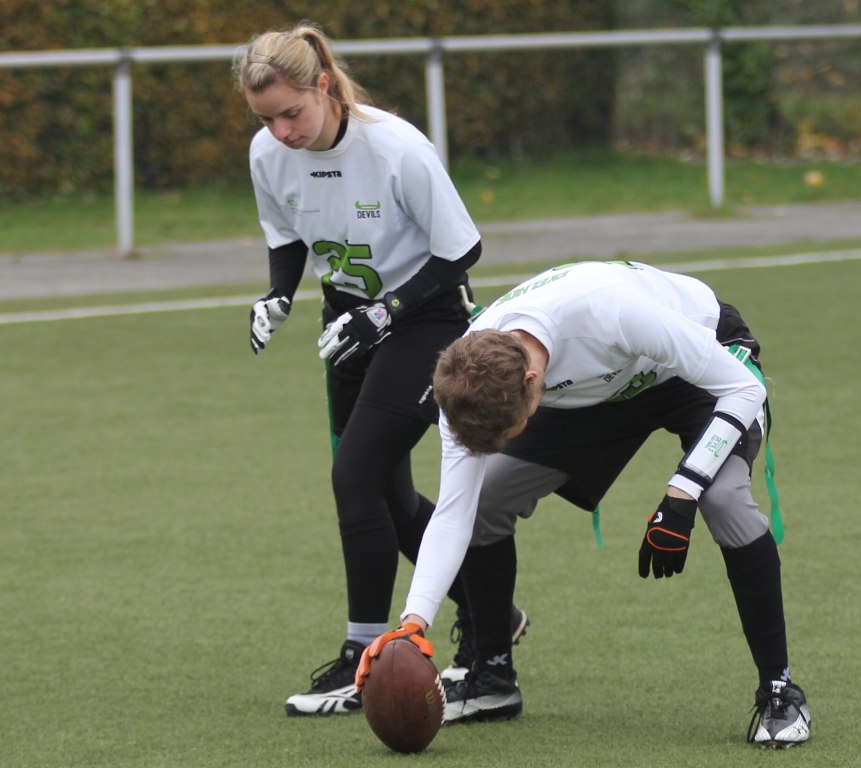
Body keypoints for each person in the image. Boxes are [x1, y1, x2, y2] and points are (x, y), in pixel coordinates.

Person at [358, 260, 811, 747]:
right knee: (488, 495)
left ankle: (780, 690)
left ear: (532, 381)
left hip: (699, 368)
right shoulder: (466, 378)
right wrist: (413, 624)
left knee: (723, 500)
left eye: (509, 431)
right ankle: (493, 675)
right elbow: (454, 513)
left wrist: (683, 492)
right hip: (601, 387)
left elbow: (744, 388)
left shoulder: (611, 312)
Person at [234, 22, 527, 716]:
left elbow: (461, 250)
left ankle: (359, 657)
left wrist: (387, 311)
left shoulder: (396, 147)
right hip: (348, 326)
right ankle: (491, 613)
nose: (280, 131)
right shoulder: (267, 154)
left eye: (291, 113)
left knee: (354, 477)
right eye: (266, 119)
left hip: (427, 321)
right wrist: (278, 294)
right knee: (387, 499)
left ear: (324, 86)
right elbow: (287, 236)